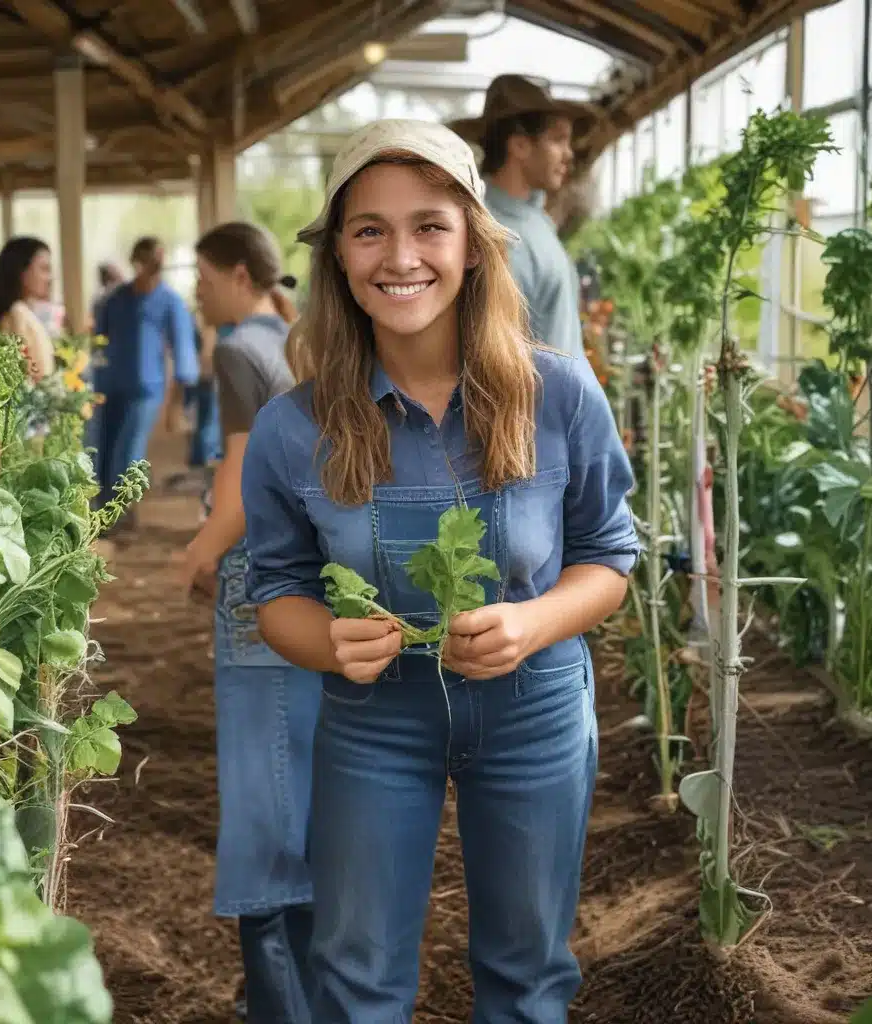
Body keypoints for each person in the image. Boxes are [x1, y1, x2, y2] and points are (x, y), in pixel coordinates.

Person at [241, 119, 639, 1022]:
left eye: (430, 225)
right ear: (339, 256)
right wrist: (329, 642)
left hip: (534, 708)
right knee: (356, 974)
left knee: (528, 972)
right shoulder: (294, 428)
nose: (401, 255)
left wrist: (533, 623)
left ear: (471, 245)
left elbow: (609, 559)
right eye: (369, 229)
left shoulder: (560, 395)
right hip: (374, 720)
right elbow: (275, 594)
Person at [178, 222, 320, 1024]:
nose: (197, 290)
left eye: (202, 275)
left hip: (257, 595)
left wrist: (196, 553)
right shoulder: (301, 344)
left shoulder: (239, 351)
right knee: (304, 795)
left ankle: (279, 1006)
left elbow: (236, 481)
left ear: (239, 274)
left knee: (263, 814)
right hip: (314, 597)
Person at [449, 74, 600, 362]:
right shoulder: (497, 234)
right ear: (519, 146)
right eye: (557, 140)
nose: (568, 155)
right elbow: (498, 358)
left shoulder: (535, 220)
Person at [90, 236, 199, 520]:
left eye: (155, 264)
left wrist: (176, 405)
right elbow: (97, 341)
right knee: (102, 449)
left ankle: (121, 514)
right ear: (135, 263)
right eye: (144, 264)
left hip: (146, 391)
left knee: (127, 452)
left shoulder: (170, 302)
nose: (150, 270)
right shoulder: (115, 300)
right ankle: (100, 511)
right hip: (108, 387)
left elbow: (184, 354)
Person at [0, 236, 57, 381]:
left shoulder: (22, 312)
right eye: (44, 269)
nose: (50, 278)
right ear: (21, 272)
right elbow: (23, 377)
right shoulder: (17, 314)